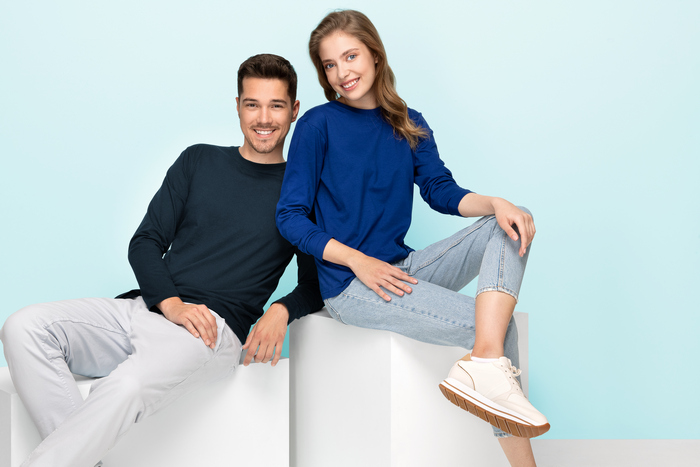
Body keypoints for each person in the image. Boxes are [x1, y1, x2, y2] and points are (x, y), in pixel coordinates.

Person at [0, 53, 323, 467]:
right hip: (149, 307)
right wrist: (170, 304)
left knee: (127, 386)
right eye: (252, 104)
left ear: (294, 110)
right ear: (238, 106)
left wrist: (281, 309)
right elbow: (146, 241)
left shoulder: (302, 194)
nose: (263, 118)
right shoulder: (198, 160)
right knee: (23, 327)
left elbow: (314, 284)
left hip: (210, 330)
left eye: (276, 105)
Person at [275, 10, 548, 467]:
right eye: (329, 64)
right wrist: (356, 260)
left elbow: (441, 191)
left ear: (374, 55)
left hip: (403, 269)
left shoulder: (407, 121)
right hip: (351, 286)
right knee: (500, 327)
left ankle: (482, 362)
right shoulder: (318, 125)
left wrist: (496, 202)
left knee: (513, 219)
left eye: (350, 56)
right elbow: (290, 217)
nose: (342, 72)